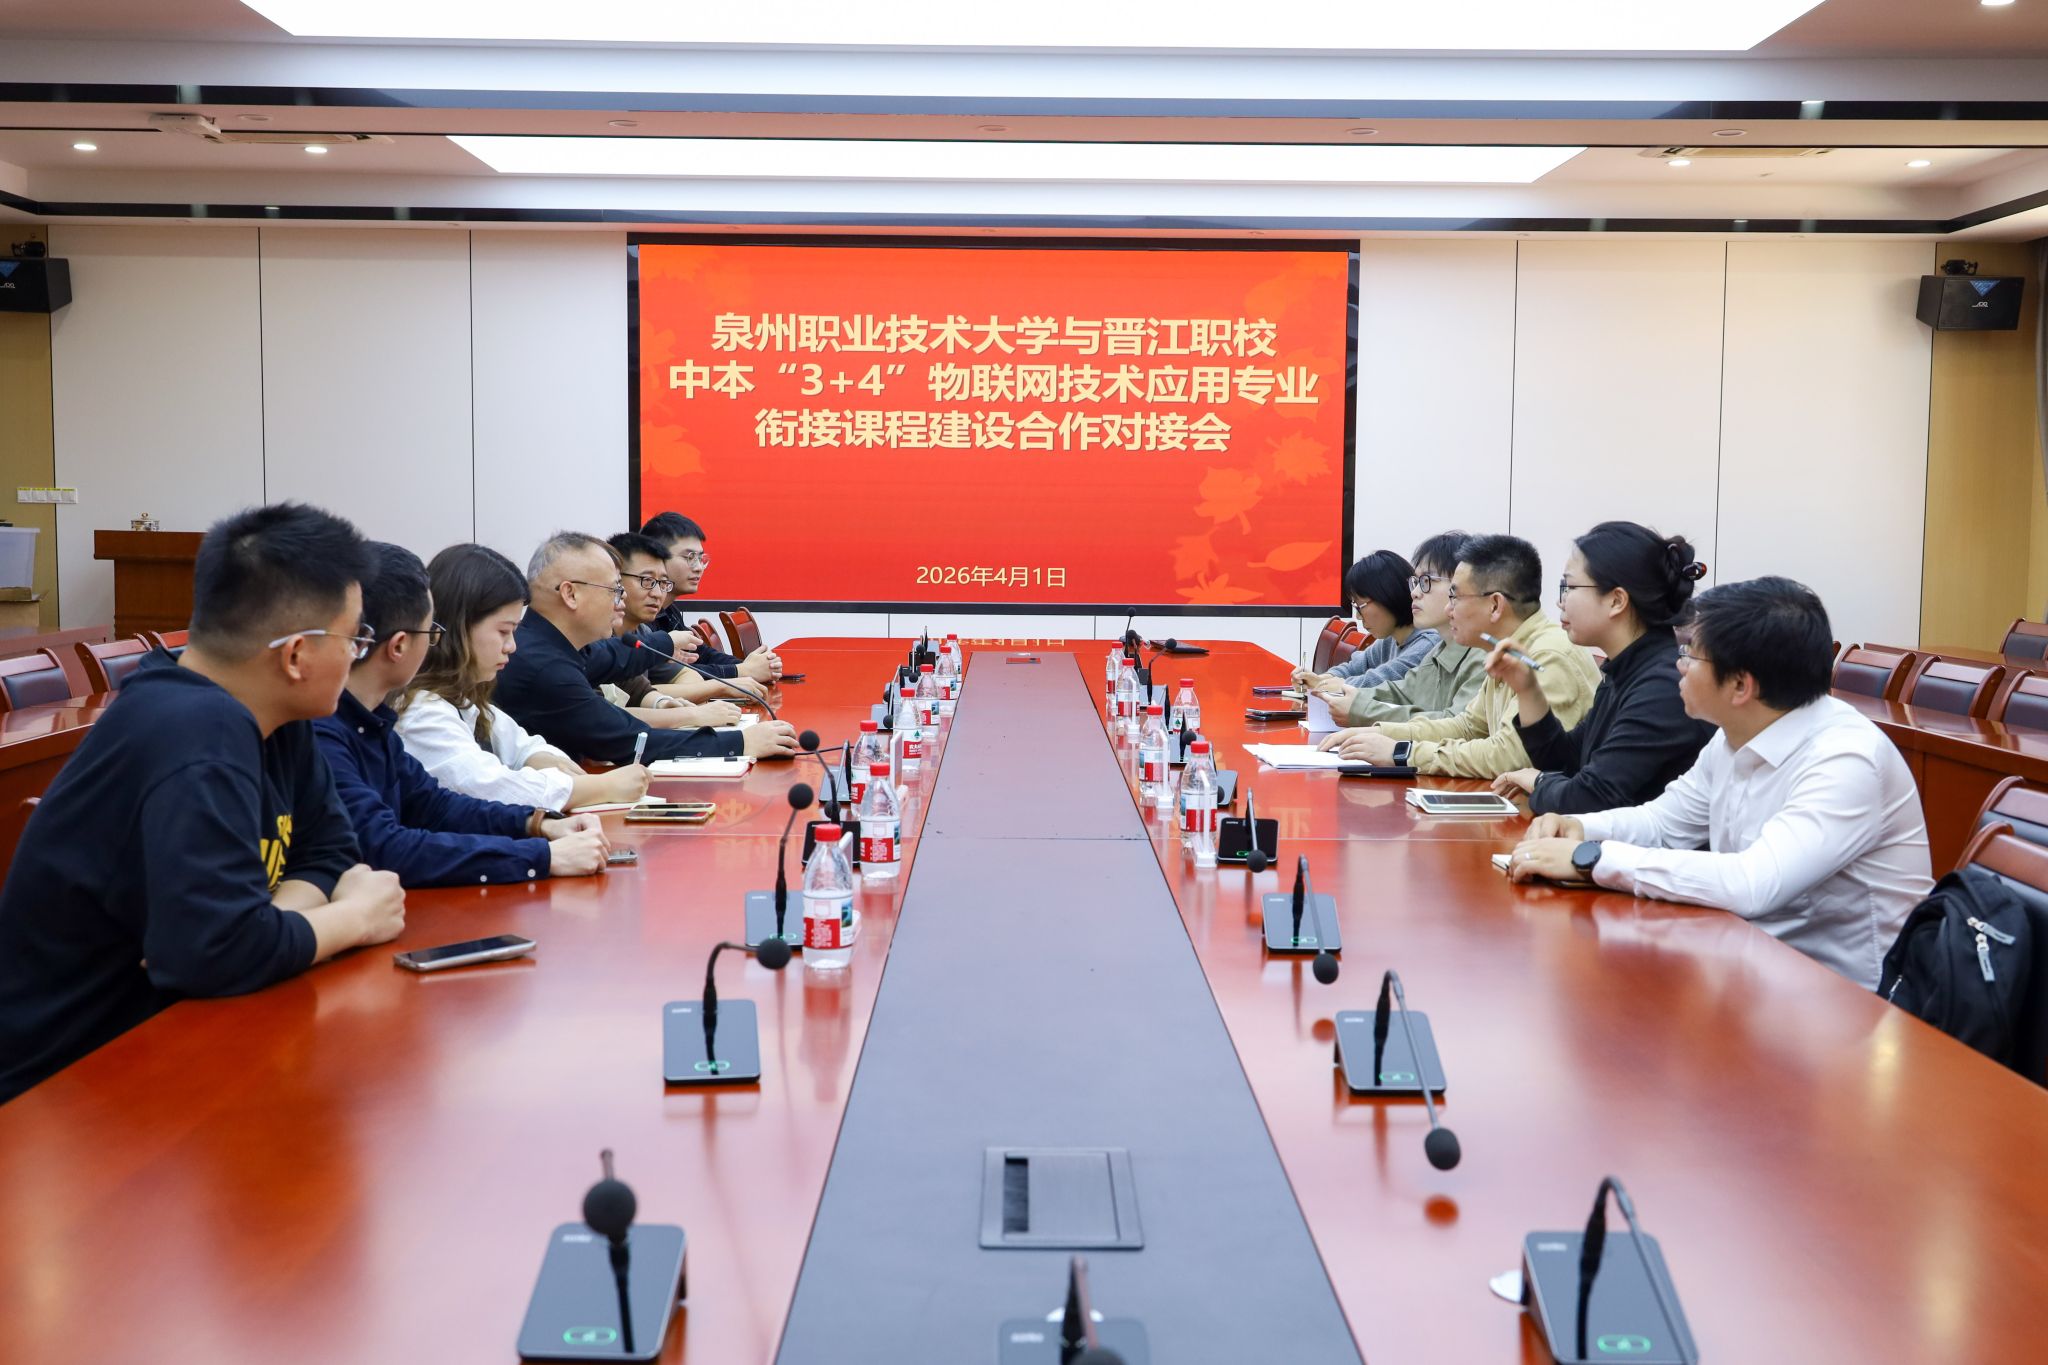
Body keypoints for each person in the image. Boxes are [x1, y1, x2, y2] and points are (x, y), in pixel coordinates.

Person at [0, 503, 406, 1103]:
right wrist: (353, 919)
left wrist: (270, 927)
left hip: (168, 1040)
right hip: (62, 1086)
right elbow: (214, 955)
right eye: (353, 638)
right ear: (296, 655)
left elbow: (329, 850)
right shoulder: (194, 734)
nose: (355, 655)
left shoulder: (275, 710)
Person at [1507, 576, 1932, 989]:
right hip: (1750, 966)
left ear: (1741, 685)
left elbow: (1753, 883)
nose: (1678, 665)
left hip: (1848, 1000)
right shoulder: (1736, 733)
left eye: (1691, 655)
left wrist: (1592, 859)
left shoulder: (1847, 760)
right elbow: (1665, 824)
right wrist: (1579, 828)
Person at [314, 543, 613, 887]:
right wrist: (543, 856)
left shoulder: (372, 721)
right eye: (431, 633)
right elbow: (385, 847)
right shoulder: (325, 730)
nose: (435, 643)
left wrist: (538, 824)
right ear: (399, 645)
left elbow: (435, 805)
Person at [494, 531, 799, 766]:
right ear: (570, 594)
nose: (620, 601)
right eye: (614, 590)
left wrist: (667, 641)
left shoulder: (551, 644)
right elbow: (630, 740)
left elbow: (613, 656)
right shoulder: (545, 667)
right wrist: (741, 743)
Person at [393, 543, 652, 811]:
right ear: (461, 626)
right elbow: (490, 787)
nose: (512, 646)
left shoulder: (463, 700)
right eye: (503, 632)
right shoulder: (420, 712)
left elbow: (523, 744)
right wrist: (600, 787)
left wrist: (540, 758)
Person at [1486, 522, 1717, 814]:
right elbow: (1567, 761)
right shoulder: (1623, 671)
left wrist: (1540, 782)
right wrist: (1527, 688)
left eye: (1570, 587)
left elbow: (1591, 798)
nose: (1560, 601)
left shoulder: (1662, 685)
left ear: (1616, 600)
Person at [1320, 533, 1600, 775]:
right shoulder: (1504, 647)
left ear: (1495, 605)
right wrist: (1381, 733)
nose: (1448, 608)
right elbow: (1467, 726)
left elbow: (1511, 756)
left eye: (1455, 597)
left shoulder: (1546, 655)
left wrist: (1403, 752)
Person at [1314, 531, 1485, 726]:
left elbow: (1457, 726)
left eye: (1426, 581)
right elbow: (1401, 692)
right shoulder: (1438, 653)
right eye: (1416, 583)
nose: (1415, 593)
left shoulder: (1482, 657)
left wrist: (1358, 706)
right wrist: (1341, 691)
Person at [588, 530, 748, 722]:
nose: (657, 593)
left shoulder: (642, 631)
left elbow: (638, 689)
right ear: (569, 593)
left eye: (663, 583)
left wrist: (662, 703)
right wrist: (691, 713)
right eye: (647, 581)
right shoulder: (584, 643)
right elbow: (599, 718)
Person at [641, 510, 782, 685]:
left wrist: (752, 666)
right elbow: (664, 677)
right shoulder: (640, 616)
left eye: (701, 558)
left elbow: (701, 654)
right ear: (656, 557)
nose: (698, 567)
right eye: (690, 557)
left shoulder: (669, 610)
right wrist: (742, 671)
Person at [1293, 549, 1437, 694]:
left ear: (1387, 595)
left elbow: (1378, 681)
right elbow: (1354, 667)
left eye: (1359, 606)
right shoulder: (1391, 639)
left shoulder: (1428, 645)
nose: (1358, 616)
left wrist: (1325, 684)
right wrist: (1320, 679)